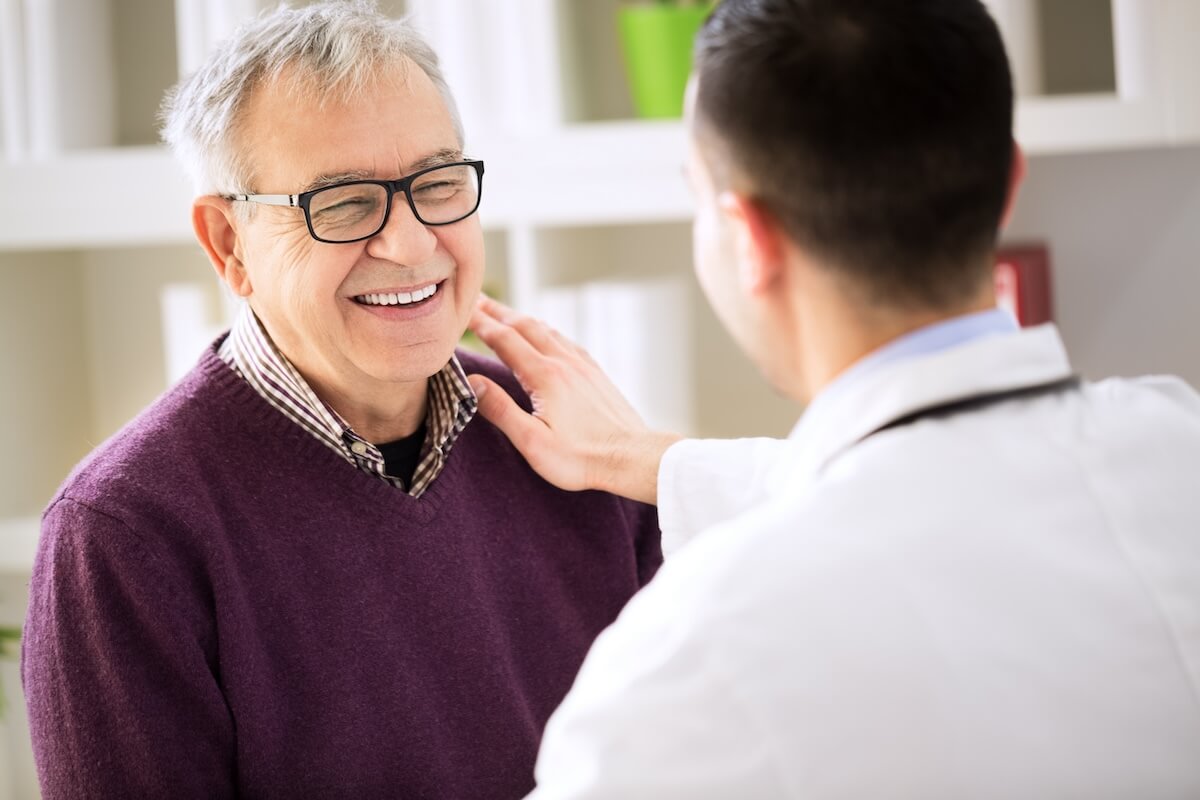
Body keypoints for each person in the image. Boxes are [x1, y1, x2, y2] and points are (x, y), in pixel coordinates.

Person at [466, 0, 1200, 796]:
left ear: (748, 238)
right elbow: (940, 492)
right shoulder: (1172, 440)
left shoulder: (695, 663)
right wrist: (657, 460)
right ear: (1010, 181)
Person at [20, 3, 660, 798]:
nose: (412, 243)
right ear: (230, 245)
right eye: (346, 203)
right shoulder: (122, 534)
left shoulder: (571, 435)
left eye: (438, 182)